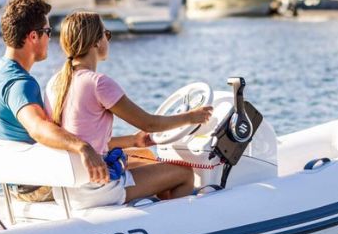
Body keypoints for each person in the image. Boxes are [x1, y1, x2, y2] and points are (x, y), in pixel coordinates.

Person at [45, 11, 213, 209]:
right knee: (184, 173)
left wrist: (134, 141)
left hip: (68, 189)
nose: (108, 40)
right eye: (106, 34)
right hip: (97, 189)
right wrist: (192, 117)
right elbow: (149, 123)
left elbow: (88, 140)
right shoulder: (98, 83)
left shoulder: (55, 82)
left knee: (147, 158)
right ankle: (170, 226)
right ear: (96, 42)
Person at [0, 0, 108, 201]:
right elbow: (37, 128)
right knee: (141, 164)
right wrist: (82, 147)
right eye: (48, 32)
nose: (50, 38)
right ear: (33, 37)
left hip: (16, 183)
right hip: (36, 186)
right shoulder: (20, 83)